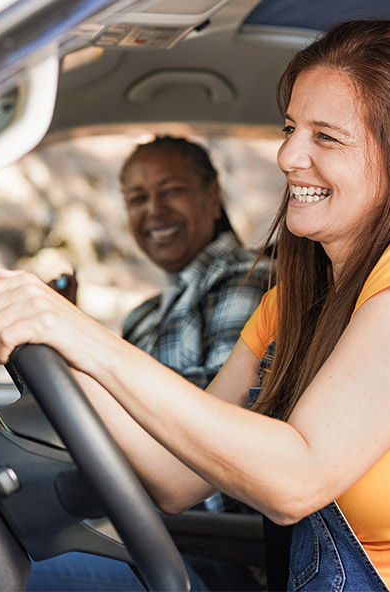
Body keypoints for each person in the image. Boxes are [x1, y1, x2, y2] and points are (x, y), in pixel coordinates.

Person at [0, 19, 390, 591]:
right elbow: (178, 478)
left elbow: (295, 481)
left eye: (325, 137)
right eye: (291, 128)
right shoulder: (293, 305)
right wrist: (53, 346)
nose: (288, 156)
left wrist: (84, 336)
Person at [31, 136, 272, 591]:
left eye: (171, 190)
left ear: (212, 196)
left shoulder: (243, 280)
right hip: (144, 528)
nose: (154, 211)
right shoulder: (144, 315)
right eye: (137, 198)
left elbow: (222, 434)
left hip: (208, 552)